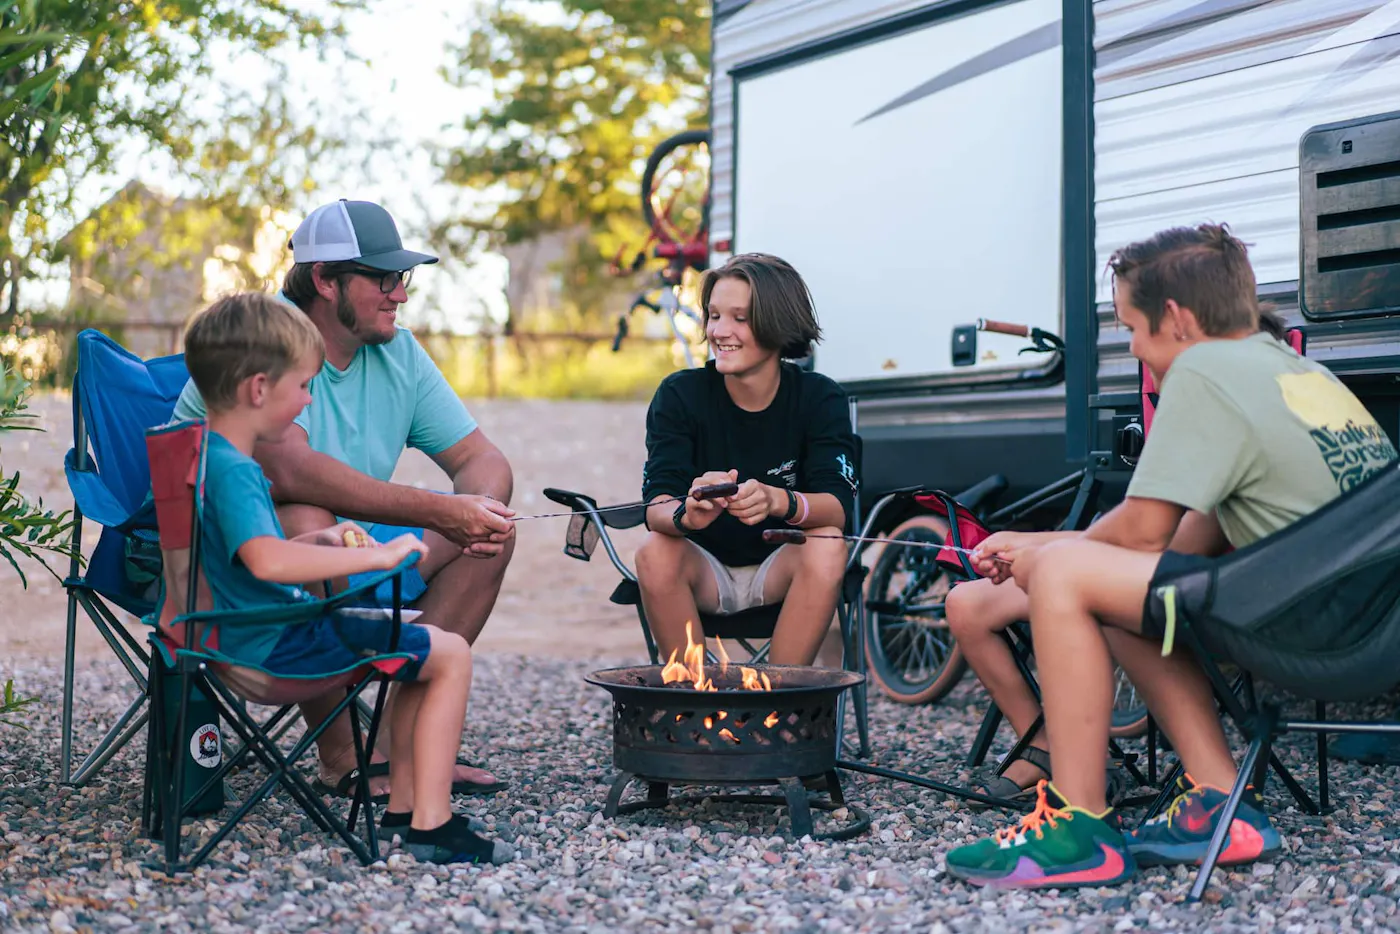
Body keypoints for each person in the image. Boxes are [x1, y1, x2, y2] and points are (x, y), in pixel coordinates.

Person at [942, 223, 1397, 889]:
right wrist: (1045, 559)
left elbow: (1142, 534)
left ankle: (1078, 829)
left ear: (1177, 320)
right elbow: (1178, 543)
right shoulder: (1295, 369)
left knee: (1073, 574)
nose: (1131, 345)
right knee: (1099, 582)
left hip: (1318, 630)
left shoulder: (1205, 369)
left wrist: (1043, 553)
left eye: (1132, 326)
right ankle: (1220, 802)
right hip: (1370, 623)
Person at [171, 200, 513, 802]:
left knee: (488, 536)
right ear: (326, 280)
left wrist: (473, 510)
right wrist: (437, 512)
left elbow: (482, 461)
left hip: (342, 552)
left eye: (401, 278)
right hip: (231, 573)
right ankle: (343, 752)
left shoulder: (398, 352)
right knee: (305, 513)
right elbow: (291, 471)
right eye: (382, 279)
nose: (399, 295)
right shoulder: (264, 338)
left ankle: (404, 744)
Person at [944, 307, 1294, 807]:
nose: (1142, 359)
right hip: (1157, 572)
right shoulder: (1201, 424)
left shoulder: (1238, 431)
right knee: (967, 604)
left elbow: (1165, 552)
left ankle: (1098, 792)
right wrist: (1031, 544)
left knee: (1087, 590)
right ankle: (1046, 746)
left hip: (1206, 596)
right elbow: (1135, 532)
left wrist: (1042, 555)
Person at [636, 253, 859, 665]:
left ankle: (781, 705)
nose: (720, 331)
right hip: (703, 569)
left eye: (740, 317)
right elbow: (656, 508)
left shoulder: (819, 398)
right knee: (655, 550)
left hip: (781, 568)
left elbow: (838, 507)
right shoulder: (681, 395)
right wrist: (688, 513)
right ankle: (695, 709)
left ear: (778, 322)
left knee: (827, 542)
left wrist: (780, 501)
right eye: (714, 315)